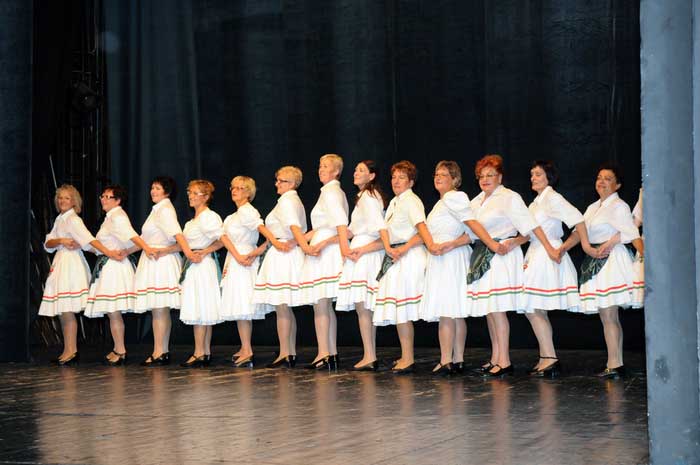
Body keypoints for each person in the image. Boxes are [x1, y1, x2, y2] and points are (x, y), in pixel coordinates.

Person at [467, 155, 560, 378]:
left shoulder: (509, 197)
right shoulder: (476, 201)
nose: (485, 179)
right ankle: (495, 357)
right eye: (481, 176)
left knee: (498, 309)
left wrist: (515, 242)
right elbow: (470, 231)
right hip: (481, 255)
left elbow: (529, 228)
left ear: (500, 177)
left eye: (490, 175)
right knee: (489, 310)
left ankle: (504, 361)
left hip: (501, 256)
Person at [418, 161, 503, 375]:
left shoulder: (454, 197)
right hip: (443, 255)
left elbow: (472, 224)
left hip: (449, 258)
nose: (438, 177)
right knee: (453, 310)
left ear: (455, 180)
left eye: (444, 175)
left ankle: (447, 359)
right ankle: (457, 359)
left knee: (447, 309)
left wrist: (491, 244)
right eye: (436, 174)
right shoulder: (442, 202)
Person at [561, 163, 643, 378]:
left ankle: (615, 364)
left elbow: (631, 231)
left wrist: (613, 244)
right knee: (607, 316)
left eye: (608, 178)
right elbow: (580, 232)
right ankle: (614, 363)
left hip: (611, 260)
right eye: (599, 177)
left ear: (618, 185)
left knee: (609, 313)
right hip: (596, 258)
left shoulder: (619, 206)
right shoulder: (593, 207)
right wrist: (562, 249)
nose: (602, 182)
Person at [519, 160, 594, 377]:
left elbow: (578, 220)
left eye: (538, 174)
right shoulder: (535, 203)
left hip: (546, 254)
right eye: (532, 174)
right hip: (535, 253)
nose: (533, 178)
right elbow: (527, 233)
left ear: (549, 178)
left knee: (533, 307)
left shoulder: (552, 198)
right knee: (533, 308)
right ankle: (546, 357)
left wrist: (571, 247)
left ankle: (549, 358)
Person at [39, 184, 123, 365]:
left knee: (67, 309)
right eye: (60, 198)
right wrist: (61, 240)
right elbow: (48, 243)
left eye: (67, 198)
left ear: (74, 202)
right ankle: (68, 350)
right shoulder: (61, 219)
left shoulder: (73, 220)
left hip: (71, 264)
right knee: (63, 310)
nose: (62, 201)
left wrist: (108, 252)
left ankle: (72, 351)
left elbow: (89, 240)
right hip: (61, 262)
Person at [372, 160, 428, 373]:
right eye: (394, 177)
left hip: (409, 257)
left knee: (403, 309)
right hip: (396, 256)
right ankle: (406, 355)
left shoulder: (411, 201)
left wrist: (403, 248)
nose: (396, 181)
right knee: (398, 309)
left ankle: (410, 358)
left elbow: (422, 231)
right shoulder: (395, 202)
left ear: (411, 182)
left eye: (402, 177)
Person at [297, 154, 349, 370]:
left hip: (326, 252)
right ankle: (330, 352)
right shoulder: (331, 191)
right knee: (325, 306)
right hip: (325, 246)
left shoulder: (331, 192)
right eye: (320, 166)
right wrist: (300, 240)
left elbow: (341, 223)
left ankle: (324, 352)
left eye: (326, 166)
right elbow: (324, 226)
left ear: (336, 171)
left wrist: (329, 245)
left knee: (320, 305)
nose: (321, 169)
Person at [253, 166, 307, 368]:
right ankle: (289, 351)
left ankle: (286, 352)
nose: (277, 183)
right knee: (284, 307)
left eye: (281, 180)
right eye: (277, 180)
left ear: (292, 183)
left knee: (282, 307)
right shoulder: (292, 200)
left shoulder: (287, 201)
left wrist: (302, 245)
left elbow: (294, 227)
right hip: (285, 251)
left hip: (283, 254)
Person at [336, 160, 386, 370]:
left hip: (365, 253)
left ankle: (370, 355)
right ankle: (369, 354)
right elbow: (352, 229)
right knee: (363, 307)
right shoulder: (364, 197)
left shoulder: (368, 197)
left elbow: (380, 228)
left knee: (364, 307)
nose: (356, 173)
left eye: (362, 170)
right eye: (356, 169)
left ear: (372, 176)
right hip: (361, 250)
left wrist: (363, 250)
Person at [83, 185, 141, 365]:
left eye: (108, 197)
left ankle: (120, 350)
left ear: (118, 201)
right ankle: (118, 347)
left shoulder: (118, 217)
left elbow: (135, 238)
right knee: (112, 312)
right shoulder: (110, 218)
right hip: (110, 265)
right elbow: (102, 246)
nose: (103, 199)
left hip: (114, 269)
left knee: (113, 311)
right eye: (103, 196)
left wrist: (127, 251)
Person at [132, 176, 183, 366]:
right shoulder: (157, 210)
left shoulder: (165, 210)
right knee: (158, 310)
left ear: (167, 192)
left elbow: (178, 237)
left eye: (158, 188)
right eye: (152, 188)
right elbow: (143, 239)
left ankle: (160, 351)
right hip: (153, 261)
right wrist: (125, 252)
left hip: (161, 263)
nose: (153, 191)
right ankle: (161, 350)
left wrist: (185, 252)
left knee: (160, 309)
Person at [219, 176, 267, 368]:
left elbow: (267, 235)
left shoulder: (248, 211)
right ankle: (244, 347)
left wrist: (255, 253)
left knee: (243, 305)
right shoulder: (233, 216)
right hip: (235, 259)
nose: (235, 190)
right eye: (233, 187)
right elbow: (223, 238)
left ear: (248, 192)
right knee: (238, 306)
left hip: (244, 260)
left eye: (240, 188)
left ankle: (248, 350)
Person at [177, 180, 224, 368]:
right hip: (194, 265)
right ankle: (204, 351)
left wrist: (204, 252)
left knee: (201, 307)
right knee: (202, 307)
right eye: (189, 192)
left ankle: (199, 352)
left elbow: (222, 240)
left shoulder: (209, 217)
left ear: (205, 197)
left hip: (202, 265)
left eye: (195, 193)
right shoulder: (192, 221)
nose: (190, 195)